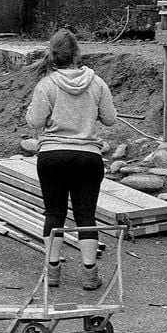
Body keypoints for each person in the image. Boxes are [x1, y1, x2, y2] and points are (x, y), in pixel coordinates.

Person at [26, 28, 120, 290]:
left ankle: (53, 271)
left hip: (53, 155)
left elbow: (34, 122)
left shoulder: (47, 84)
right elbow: (110, 119)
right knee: (85, 215)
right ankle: (90, 273)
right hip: (87, 156)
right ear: (78, 53)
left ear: (52, 55)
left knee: (54, 213)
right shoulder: (97, 82)